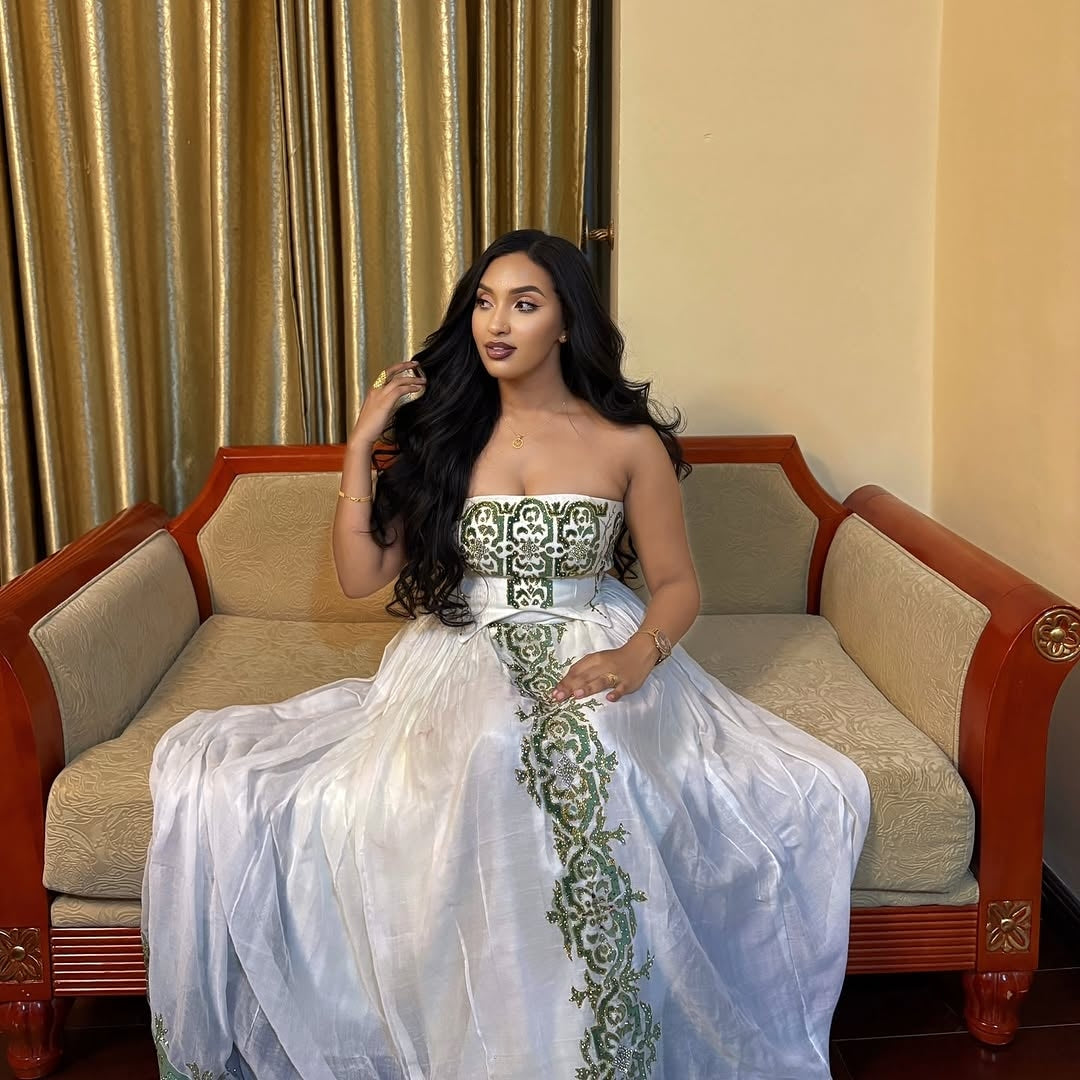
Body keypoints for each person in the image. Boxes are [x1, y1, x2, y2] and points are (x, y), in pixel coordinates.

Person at [143, 230, 870, 1080]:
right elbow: (359, 576)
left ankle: (587, 1039)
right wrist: (362, 446)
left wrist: (636, 657)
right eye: (485, 303)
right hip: (462, 649)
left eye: (524, 305)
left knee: (592, 748)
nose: (497, 323)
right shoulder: (446, 438)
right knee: (485, 752)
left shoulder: (626, 443)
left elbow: (677, 585)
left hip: (594, 635)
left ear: (566, 323)